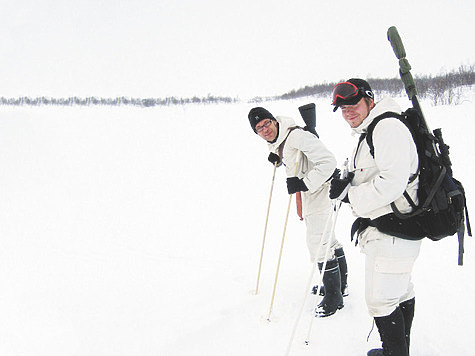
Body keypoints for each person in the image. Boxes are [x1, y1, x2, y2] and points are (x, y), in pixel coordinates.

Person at [330, 78, 421, 356]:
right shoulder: (373, 129)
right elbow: (372, 169)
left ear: (370, 100)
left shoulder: (387, 128)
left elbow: (392, 183)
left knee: (380, 302)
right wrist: (346, 177)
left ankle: (395, 352)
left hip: (393, 230)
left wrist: (350, 196)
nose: (348, 111)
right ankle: (398, 350)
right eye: (342, 108)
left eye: (353, 104)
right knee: (400, 292)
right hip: (394, 229)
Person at [248, 106, 349, 317]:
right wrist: (277, 158)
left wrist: (304, 184)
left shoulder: (296, 136)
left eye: (266, 123)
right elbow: (294, 156)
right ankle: (340, 287)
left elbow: (328, 162)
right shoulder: (279, 139)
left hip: (320, 189)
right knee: (326, 238)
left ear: (274, 120)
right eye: (259, 128)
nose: (265, 129)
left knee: (317, 242)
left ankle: (333, 296)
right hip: (313, 190)